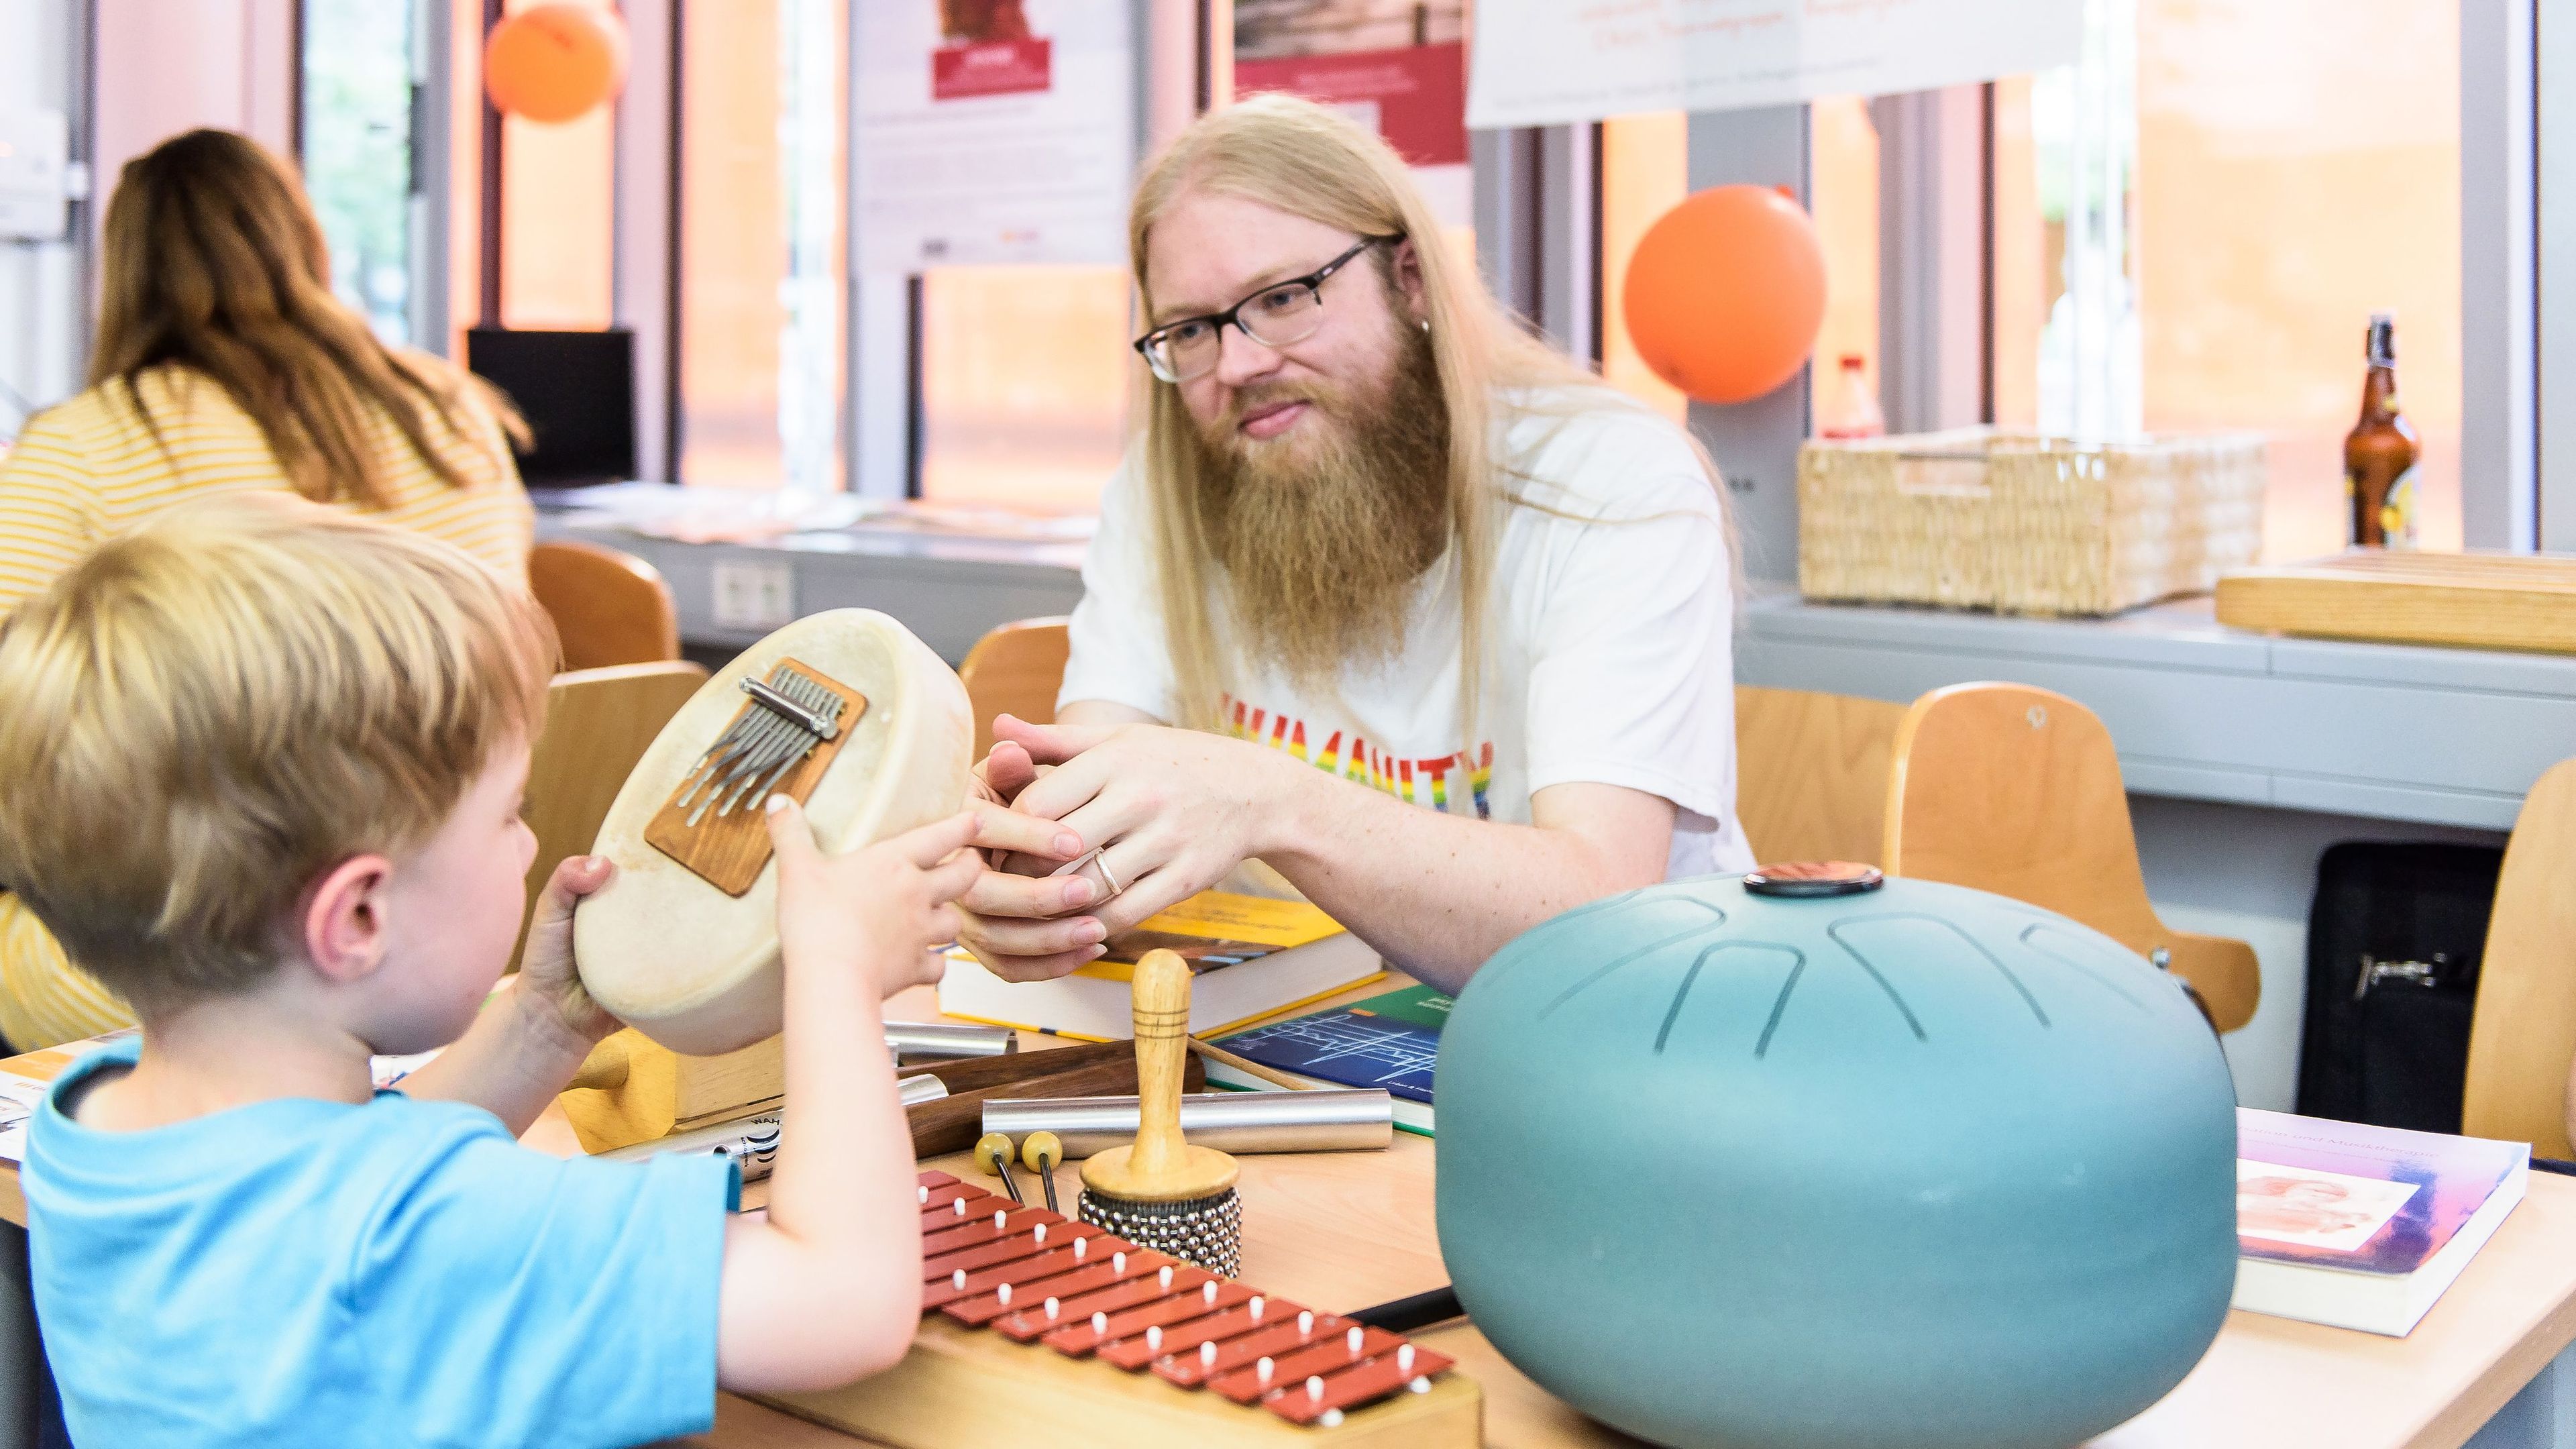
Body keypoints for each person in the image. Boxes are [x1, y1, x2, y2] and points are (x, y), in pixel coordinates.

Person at [0, 497, 975, 1446]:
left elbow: (353, 1164)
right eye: (508, 812)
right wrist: (834, 973)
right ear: (361, 916)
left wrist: (544, 1028)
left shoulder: (88, 1131)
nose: (527, 846)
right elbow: (843, 1300)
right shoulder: (426, 1231)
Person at [959, 95, 1752, 994]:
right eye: (1191, 329)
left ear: (1410, 279)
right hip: (1297, 1040)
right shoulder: (1165, 487)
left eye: (1285, 298)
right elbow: (1096, 795)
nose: (1240, 365)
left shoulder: (1611, 481)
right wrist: (1038, 875)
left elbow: (1601, 915)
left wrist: (1274, 802)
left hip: (1604, 1041)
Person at [0, 127, 535, 1051]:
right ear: (304, 240)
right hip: (463, 933)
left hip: (186, 975)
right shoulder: (451, 411)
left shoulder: (81, 446)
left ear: (120, 269)